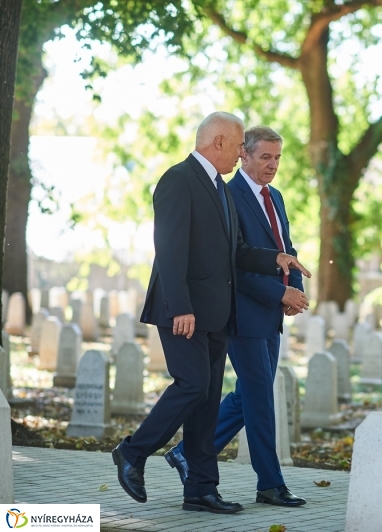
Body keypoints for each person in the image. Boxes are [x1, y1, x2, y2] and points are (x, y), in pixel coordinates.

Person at [111, 112, 311, 515]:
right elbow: (169, 251)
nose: (242, 154)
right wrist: (181, 306)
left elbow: (235, 253)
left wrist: (276, 256)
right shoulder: (178, 179)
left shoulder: (220, 187)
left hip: (217, 314)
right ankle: (132, 452)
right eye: (240, 146)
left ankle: (201, 489)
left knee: (206, 402)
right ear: (219, 142)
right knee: (193, 386)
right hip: (183, 311)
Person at [163, 126, 307, 507]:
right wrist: (280, 292)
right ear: (244, 155)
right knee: (260, 397)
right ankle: (270, 484)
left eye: (277, 158)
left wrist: (296, 293)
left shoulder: (274, 197)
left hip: (271, 314)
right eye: (265, 157)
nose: (273, 165)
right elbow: (234, 267)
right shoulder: (226, 196)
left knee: (248, 396)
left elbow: (285, 249)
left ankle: (185, 454)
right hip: (241, 314)